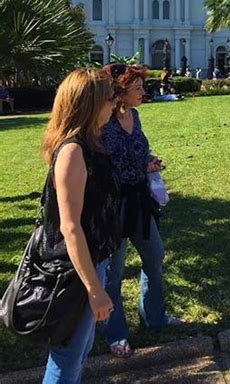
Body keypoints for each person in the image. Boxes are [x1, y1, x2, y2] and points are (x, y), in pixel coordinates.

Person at [41, 68, 121, 382]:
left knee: (78, 351)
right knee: (67, 358)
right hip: (75, 273)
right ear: (89, 104)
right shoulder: (74, 151)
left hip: (91, 261)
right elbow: (70, 227)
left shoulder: (89, 143)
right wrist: (94, 289)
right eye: (109, 98)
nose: (114, 104)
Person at [101, 64, 181, 358]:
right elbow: (104, 166)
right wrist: (139, 166)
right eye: (137, 88)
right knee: (114, 272)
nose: (142, 93)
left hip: (140, 201)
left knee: (155, 256)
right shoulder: (104, 121)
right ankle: (115, 333)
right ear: (120, 92)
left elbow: (139, 151)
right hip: (115, 206)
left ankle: (154, 316)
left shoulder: (134, 115)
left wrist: (149, 160)